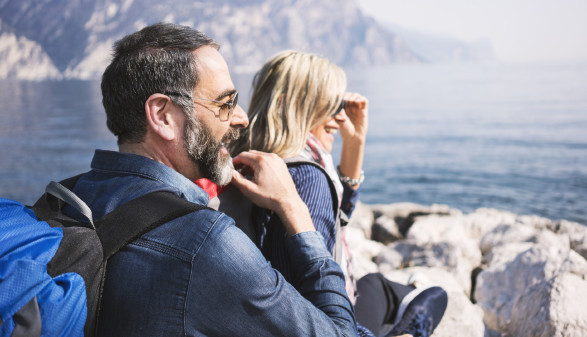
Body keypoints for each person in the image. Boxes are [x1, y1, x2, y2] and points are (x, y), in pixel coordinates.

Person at [62, 22, 361, 336]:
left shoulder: (71, 196)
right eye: (225, 103)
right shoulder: (206, 242)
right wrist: (296, 211)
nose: (241, 117)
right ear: (163, 115)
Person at [230, 50, 447, 337]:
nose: (340, 117)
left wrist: (354, 146)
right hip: (332, 324)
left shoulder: (248, 158)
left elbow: (335, 218)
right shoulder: (307, 176)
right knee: (435, 296)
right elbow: (311, 296)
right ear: (295, 105)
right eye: (331, 105)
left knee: (375, 283)